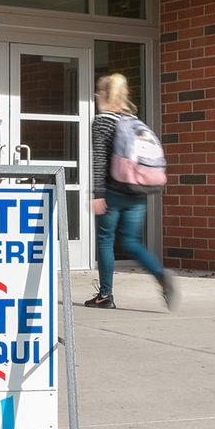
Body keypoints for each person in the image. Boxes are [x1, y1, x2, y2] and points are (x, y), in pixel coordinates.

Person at [85, 73, 177, 310]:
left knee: (105, 241)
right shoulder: (133, 119)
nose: (96, 97)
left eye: (98, 93)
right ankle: (160, 274)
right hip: (137, 190)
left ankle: (105, 295)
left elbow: (99, 160)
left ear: (104, 94)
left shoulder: (103, 120)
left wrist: (97, 193)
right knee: (132, 240)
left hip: (113, 190)